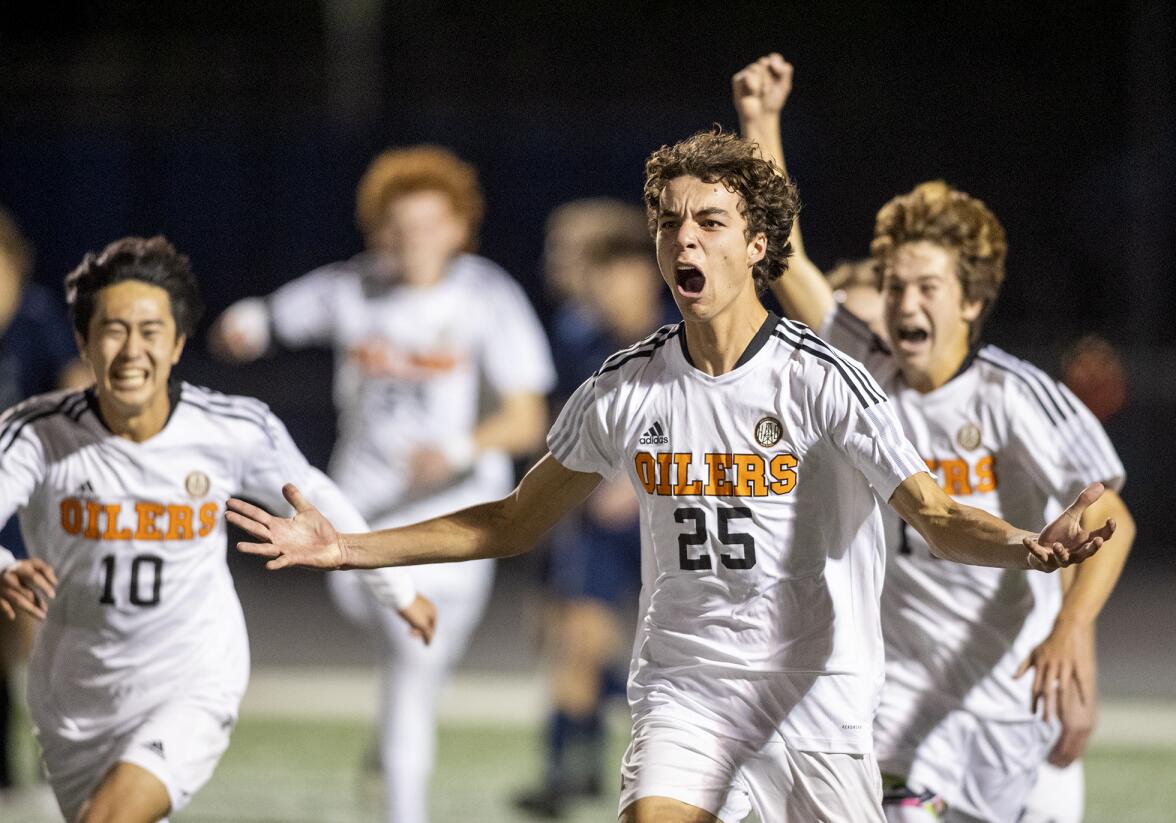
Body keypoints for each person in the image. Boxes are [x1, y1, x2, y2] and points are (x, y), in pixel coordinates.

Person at [229, 128, 1117, 823]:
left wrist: (1032, 548)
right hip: (686, 691)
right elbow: (510, 519)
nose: (682, 238)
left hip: (819, 702)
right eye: (668, 222)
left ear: (757, 243)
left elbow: (934, 512)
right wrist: (348, 546)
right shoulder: (623, 388)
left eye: (709, 222)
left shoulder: (824, 379)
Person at [733, 53, 1135, 822]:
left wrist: (1073, 631)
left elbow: (1115, 522)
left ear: (971, 300)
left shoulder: (1015, 397)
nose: (902, 302)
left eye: (926, 288)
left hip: (1003, 697)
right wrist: (761, 122)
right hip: (895, 703)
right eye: (893, 286)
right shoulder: (864, 368)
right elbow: (787, 262)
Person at [0, 236, 435, 823]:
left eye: (151, 331)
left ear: (178, 344)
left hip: (192, 677)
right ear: (83, 340)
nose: (133, 350)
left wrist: (398, 590)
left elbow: (317, 498)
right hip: (74, 695)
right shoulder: (36, 434)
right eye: (113, 329)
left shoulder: (231, 428)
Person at [210, 145, 556, 823]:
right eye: (398, 226)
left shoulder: (488, 296)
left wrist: (458, 446)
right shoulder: (352, 286)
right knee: (412, 667)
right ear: (377, 231)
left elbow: (527, 417)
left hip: (458, 521)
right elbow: (268, 318)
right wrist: (243, 323)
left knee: (413, 668)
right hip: (354, 522)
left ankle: (401, 795)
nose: (413, 240)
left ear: (460, 227)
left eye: (429, 224)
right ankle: (399, 750)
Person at [516, 202, 674, 818]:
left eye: (617, 272)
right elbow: (561, 418)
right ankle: (568, 769)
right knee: (569, 637)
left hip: (666, 515)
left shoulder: (675, 336)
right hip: (592, 521)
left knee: (655, 648)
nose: (606, 287)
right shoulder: (579, 334)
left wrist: (635, 483)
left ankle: (604, 750)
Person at [0, 207, 92, 794]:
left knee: (28, 624)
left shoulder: (35, 318)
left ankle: (47, 737)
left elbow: (75, 380)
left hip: (21, 495)